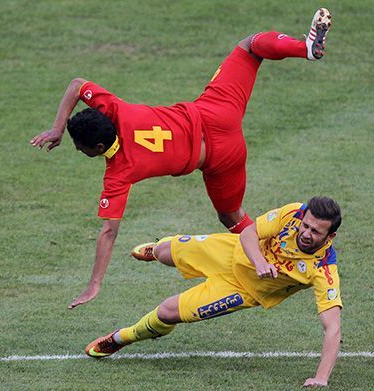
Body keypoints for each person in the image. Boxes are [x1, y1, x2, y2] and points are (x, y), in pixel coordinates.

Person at [30, 9, 333, 309]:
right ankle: (305, 48)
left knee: (233, 217)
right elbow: (76, 84)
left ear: (98, 147)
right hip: (217, 110)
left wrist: (94, 284)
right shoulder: (114, 109)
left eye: (80, 148)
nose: (78, 150)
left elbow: (109, 232)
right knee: (250, 46)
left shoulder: (119, 173)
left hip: (221, 159)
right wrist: (58, 127)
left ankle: (262, 261)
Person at [85, 196, 343, 388]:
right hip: (231, 251)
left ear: (330, 235)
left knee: (167, 311)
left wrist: (321, 378)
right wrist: (260, 262)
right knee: (165, 252)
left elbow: (332, 328)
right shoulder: (294, 213)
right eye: (306, 226)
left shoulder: (323, 270)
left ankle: (121, 339)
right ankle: (159, 249)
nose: (306, 233)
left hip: (241, 290)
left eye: (315, 231)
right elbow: (250, 233)